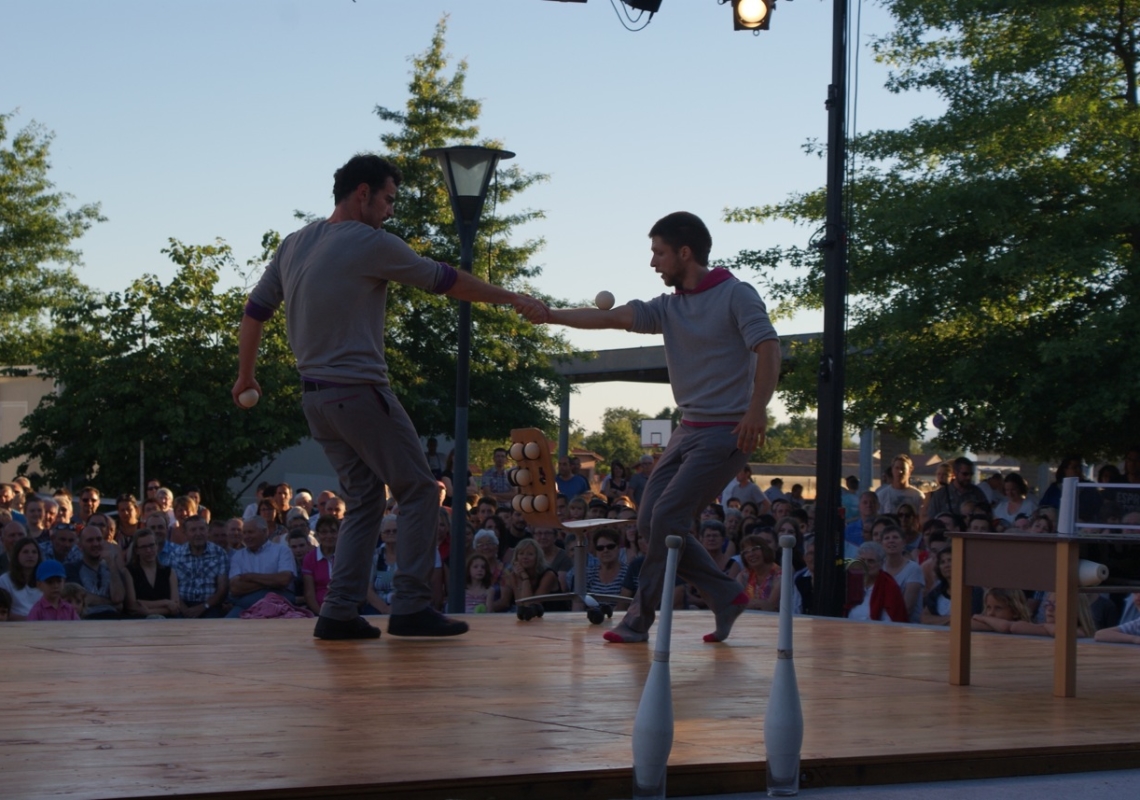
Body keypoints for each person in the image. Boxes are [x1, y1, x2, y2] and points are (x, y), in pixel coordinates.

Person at [235, 154, 546, 640]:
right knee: (421, 490)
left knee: (363, 498)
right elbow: (446, 279)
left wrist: (245, 376)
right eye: (388, 199)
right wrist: (512, 298)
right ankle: (411, 607)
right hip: (358, 392)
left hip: (315, 400)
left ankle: (337, 612)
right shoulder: (366, 241)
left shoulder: (295, 244)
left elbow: (254, 312)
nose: (390, 211)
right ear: (363, 193)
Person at [540, 211, 781, 643]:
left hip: (728, 431)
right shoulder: (670, 308)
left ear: (684, 253)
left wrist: (758, 408)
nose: (653, 263)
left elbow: (768, 345)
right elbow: (611, 319)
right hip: (687, 430)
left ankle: (639, 617)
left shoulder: (736, 295)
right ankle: (726, 594)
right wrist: (549, 315)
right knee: (649, 522)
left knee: (669, 516)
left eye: (659, 253)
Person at [170, 516, 229, 618]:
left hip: (210, 605)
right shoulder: (176, 555)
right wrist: (184, 609)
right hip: (181, 605)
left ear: (207, 531)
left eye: (202, 529)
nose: (198, 533)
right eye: (193, 530)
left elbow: (222, 589)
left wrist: (204, 606)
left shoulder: (219, 553)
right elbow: (171, 587)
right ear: (185, 533)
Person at [847, 541, 908, 623]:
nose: (865, 564)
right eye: (862, 560)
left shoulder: (889, 586)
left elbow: (893, 621)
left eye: (871, 561)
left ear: (881, 564)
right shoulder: (851, 583)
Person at [125, 531, 180, 618]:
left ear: (157, 546)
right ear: (136, 550)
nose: (148, 550)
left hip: (167, 621)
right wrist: (165, 602)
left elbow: (175, 606)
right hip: (138, 622)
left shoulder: (169, 572)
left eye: (151, 545)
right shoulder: (129, 571)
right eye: (143, 547)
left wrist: (149, 611)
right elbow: (133, 605)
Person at [0, 537, 44, 619]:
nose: (30, 555)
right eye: (25, 552)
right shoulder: (4, 580)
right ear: (17, 555)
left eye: (34, 552)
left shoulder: (45, 581)